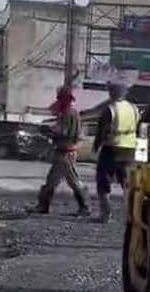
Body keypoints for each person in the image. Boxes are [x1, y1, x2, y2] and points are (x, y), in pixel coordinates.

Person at [28, 86, 91, 216]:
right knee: (51, 180)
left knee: (73, 180)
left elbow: (65, 132)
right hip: (62, 150)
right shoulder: (68, 111)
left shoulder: (70, 112)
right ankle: (42, 206)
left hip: (66, 151)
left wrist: (48, 131)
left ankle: (85, 207)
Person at [92, 82, 140, 222]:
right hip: (130, 151)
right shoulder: (134, 108)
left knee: (103, 181)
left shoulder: (110, 109)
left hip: (111, 149)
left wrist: (95, 149)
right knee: (127, 184)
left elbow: (101, 132)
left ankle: (105, 214)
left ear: (111, 93)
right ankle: (132, 215)